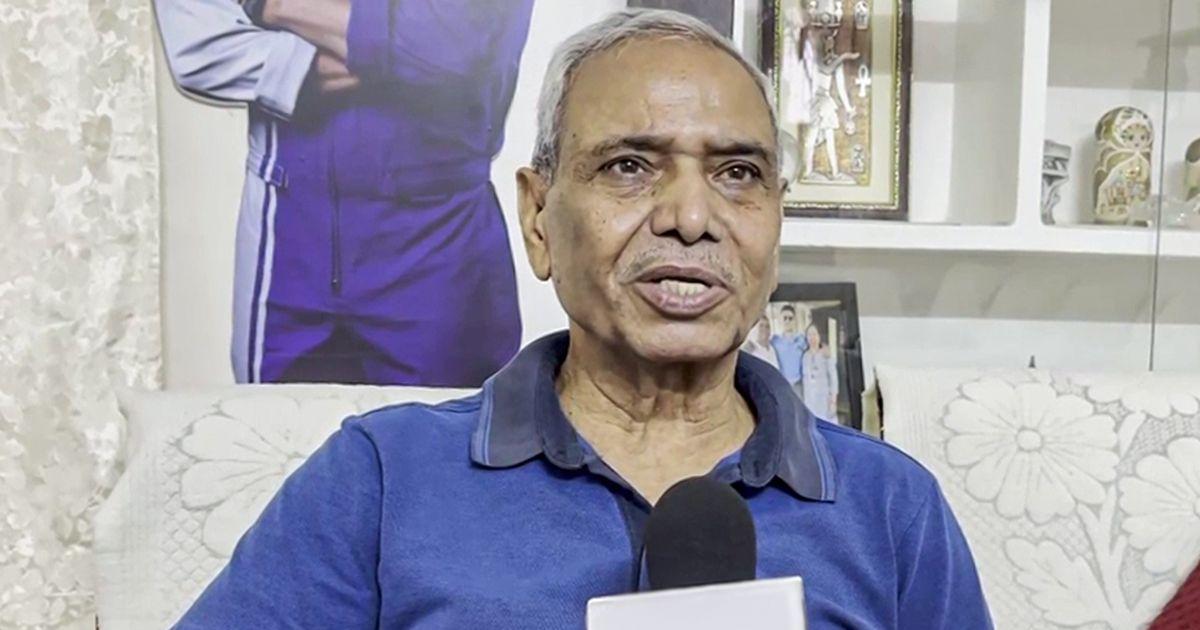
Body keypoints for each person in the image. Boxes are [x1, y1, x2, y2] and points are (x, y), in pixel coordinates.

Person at [174, 9, 993, 629]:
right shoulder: (380, 478)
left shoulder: (893, 508)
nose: (690, 219)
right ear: (538, 217)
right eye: (630, 166)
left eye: (738, 173)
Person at [154, 0, 533, 385]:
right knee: (275, 421)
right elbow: (197, 43)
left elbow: (452, 45)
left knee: (447, 421)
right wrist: (385, 55)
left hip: (439, 239)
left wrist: (273, 6)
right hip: (286, 240)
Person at [801, 324, 839, 422]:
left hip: (825, 400)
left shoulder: (826, 354)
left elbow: (833, 378)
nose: (812, 338)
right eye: (809, 334)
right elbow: (805, 381)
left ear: (819, 336)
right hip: (810, 402)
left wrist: (833, 401)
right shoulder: (805, 356)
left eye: (814, 334)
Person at [769, 304, 808, 397]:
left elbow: (814, 348)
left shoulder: (802, 340)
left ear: (794, 320)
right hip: (782, 385)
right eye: (785, 318)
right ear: (780, 320)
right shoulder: (774, 341)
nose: (787, 321)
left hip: (799, 385)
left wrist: (823, 347)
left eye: (790, 318)